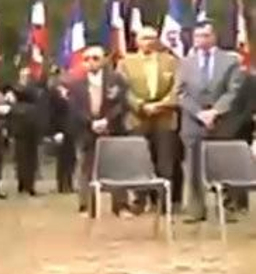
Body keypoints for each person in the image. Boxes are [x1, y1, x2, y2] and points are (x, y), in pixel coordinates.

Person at [178, 22, 246, 222]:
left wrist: (215, 112)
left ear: (214, 37)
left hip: (222, 122)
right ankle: (196, 210)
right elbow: (180, 93)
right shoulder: (185, 62)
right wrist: (200, 114)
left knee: (224, 166)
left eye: (206, 35)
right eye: (198, 35)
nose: (202, 39)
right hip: (193, 122)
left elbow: (234, 91)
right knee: (193, 167)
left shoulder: (230, 61)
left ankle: (226, 208)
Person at [120, 26, 181, 211]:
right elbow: (123, 90)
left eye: (152, 38)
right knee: (139, 160)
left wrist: (163, 104)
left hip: (165, 116)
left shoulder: (171, 61)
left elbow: (178, 87)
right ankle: (140, 200)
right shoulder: (126, 62)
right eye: (144, 38)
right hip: (138, 117)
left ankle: (165, 203)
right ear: (137, 41)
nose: (149, 41)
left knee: (165, 161)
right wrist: (141, 105)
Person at [65, 46, 130, 215]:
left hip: (112, 129)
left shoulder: (116, 80)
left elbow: (122, 104)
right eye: (86, 59)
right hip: (87, 131)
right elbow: (74, 108)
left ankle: (121, 205)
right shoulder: (76, 84)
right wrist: (91, 123)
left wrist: (106, 121)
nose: (91, 62)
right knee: (86, 168)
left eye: (95, 58)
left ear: (104, 60)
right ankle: (87, 206)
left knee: (117, 168)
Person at [7, 67, 51, 196]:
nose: (26, 77)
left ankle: (29, 184)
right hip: (20, 128)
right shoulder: (15, 89)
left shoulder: (33, 89)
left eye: (28, 75)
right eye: (24, 75)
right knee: (21, 158)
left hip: (32, 128)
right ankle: (22, 183)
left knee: (31, 159)